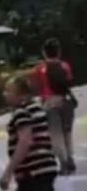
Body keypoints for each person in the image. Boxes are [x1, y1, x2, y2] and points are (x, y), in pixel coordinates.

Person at [34, 38, 78, 175]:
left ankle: (63, 163)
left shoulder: (40, 69)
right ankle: (70, 159)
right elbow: (70, 82)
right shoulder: (65, 66)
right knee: (67, 132)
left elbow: (37, 88)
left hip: (50, 103)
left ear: (44, 53)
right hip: (66, 101)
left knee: (55, 135)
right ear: (58, 51)